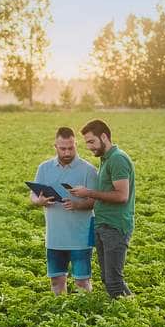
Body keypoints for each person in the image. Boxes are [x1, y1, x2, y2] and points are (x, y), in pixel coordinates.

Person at [68, 119, 135, 298]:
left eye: (91, 141)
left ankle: (131, 317)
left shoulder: (118, 159)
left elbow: (122, 196)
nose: (89, 147)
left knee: (114, 281)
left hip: (115, 226)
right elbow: (104, 194)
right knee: (108, 279)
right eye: (86, 143)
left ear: (104, 137)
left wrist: (88, 192)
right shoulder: (106, 159)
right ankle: (127, 311)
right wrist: (78, 203)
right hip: (102, 224)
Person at [29, 127, 98, 294]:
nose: (67, 152)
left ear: (76, 145)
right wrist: (39, 201)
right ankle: (60, 313)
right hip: (54, 236)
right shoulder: (44, 168)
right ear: (55, 146)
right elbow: (33, 194)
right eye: (63, 148)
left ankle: (85, 315)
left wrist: (77, 205)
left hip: (81, 237)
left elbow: (97, 200)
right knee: (56, 280)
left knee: (82, 281)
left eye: (71, 148)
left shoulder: (88, 170)